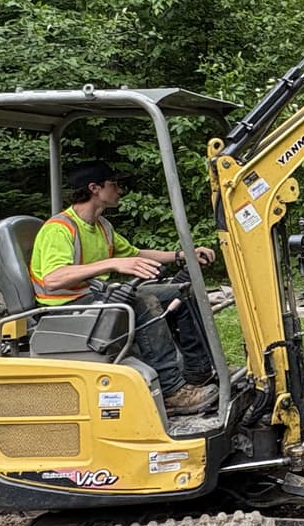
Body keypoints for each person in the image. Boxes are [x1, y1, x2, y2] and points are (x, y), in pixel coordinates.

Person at [29, 160, 220, 416]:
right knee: (143, 302)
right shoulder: (59, 229)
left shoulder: (102, 226)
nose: (119, 190)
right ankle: (171, 391)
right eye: (114, 184)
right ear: (94, 188)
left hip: (95, 296)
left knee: (180, 292)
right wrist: (112, 263)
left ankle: (198, 372)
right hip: (65, 306)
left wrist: (181, 255)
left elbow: (134, 253)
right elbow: (53, 279)